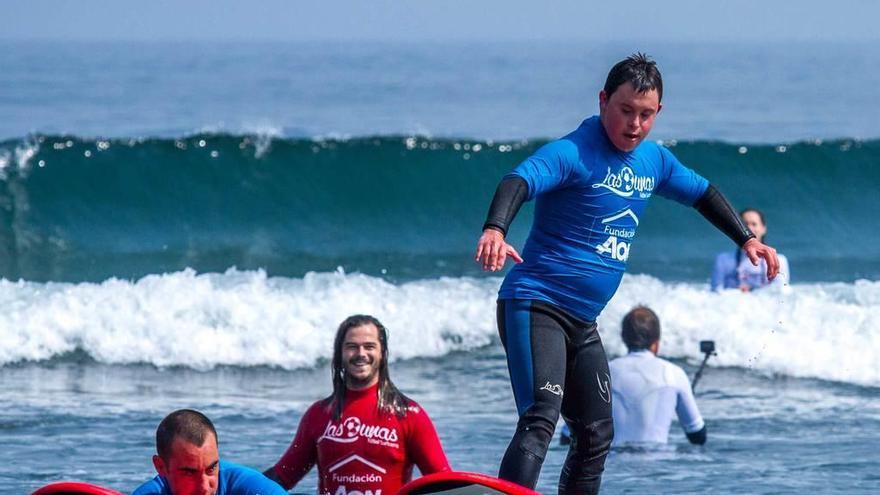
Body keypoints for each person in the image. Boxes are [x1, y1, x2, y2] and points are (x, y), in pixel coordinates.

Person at [474, 53, 779, 494]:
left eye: (646, 114)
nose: (635, 124)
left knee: (597, 433)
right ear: (603, 101)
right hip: (535, 303)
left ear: (659, 113)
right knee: (541, 416)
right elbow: (518, 180)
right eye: (625, 111)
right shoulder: (573, 152)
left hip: (583, 321)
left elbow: (702, 193)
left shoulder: (653, 162)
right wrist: (495, 228)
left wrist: (745, 239)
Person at [265, 315, 450, 495]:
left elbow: (443, 482)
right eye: (352, 347)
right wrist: (238, 483)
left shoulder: (409, 415)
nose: (361, 354)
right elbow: (283, 476)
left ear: (382, 353)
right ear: (340, 353)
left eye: (369, 346)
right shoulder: (318, 415)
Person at [609, 306, 706, 445]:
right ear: (656, 342)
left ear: (624, 338)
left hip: (612, 463)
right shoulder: (673, 374)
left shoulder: (602, 372)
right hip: (658, 463)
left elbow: (568, 436)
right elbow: (697, 436)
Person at [133, 408, 287, 495]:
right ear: (161, 467)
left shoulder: (251, 488)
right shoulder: (150, 493)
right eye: (189, 473)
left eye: (211, 468)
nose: (205, 487)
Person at [711, 208, 790, 291]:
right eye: (745, 224)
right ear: (736, 229)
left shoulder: (779, 260)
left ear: (763, 229)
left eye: (754, 224)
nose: (749, 229)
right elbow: (715, 292)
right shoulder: (723, 259)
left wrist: (752, 290)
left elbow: (781, 291)